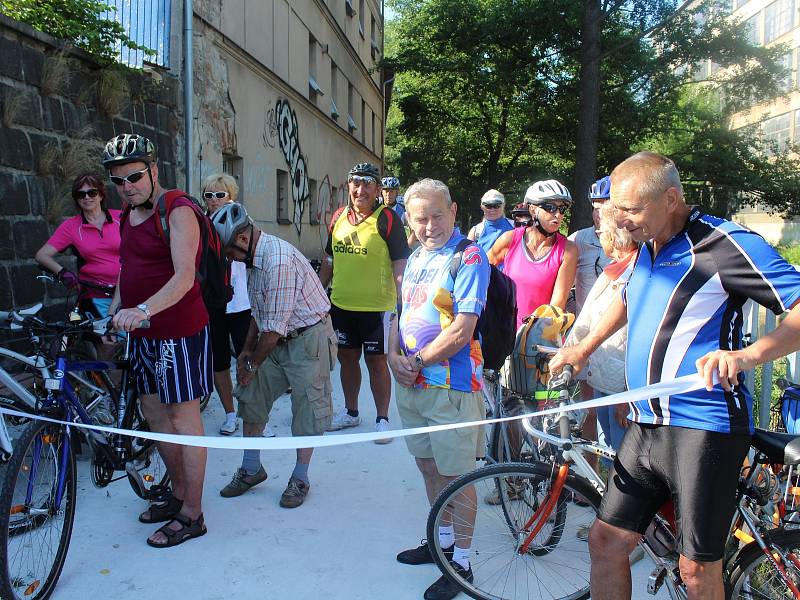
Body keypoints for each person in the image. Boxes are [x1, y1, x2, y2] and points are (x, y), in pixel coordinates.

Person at [550, 151, 800, 600]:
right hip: (647, 421)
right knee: (606, 541)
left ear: (670, 198)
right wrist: (581, 348)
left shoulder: (723, 243)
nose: (620, 221)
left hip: (704, 425)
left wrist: (747, 356)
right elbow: (629, 299)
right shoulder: (647, 244)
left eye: (630, 209)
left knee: (696, 570)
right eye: (614, 210)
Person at [104, 133, 211, 548]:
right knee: (154, 414)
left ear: (153, 170)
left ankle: (194, 514)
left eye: (134, 176)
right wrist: (114, 314)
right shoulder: (125, 215)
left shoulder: (178, 209)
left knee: (184, 421)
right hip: (142, 335)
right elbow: (125, 271)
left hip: (179, 332)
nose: (127, 186)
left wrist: (144, 311)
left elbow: (184, 276)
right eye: (118, 180)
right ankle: (180, 493)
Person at [389, 178, 489, 600]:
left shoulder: (468, 257)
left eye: (435, 215)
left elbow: (463, 330)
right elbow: (399, 312)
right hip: (412, 383)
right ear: (409, 220)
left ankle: (461, 562)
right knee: (429, 469)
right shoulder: (415, 257)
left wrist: (414, 363)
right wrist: (394, 355)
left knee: (457, 477)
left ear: (452, 210)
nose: (428, 225)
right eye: (419, 218)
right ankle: (441, 542)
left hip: (450, 387)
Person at [212, 202, 336, 508]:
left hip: (307, 338)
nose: (228, 260)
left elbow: (274, 330)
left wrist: (252, 363)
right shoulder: (253, 258)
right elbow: (259, 310)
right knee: (251, 395)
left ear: (241, 239)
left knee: (307, 409)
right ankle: (252, 469)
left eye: (228, 253)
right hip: (276, 336)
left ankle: (300, 477)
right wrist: (244, 353)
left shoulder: (277, 261)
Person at [318, 163, 410, 442]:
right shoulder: (337, 218)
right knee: (347, 358)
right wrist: (318, 293)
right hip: (342, 305)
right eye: (355, 183)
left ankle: (382, 419)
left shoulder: (388, 219)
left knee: (376, 362)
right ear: (348, 187)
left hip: (377, 307)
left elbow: (400, 264)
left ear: (377, 188)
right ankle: (351, 412)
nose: (361, 190)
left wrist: (401, 304)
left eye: (367, 184)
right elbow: (329, 259)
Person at [488, 179, 578, 329]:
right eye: (551, 207)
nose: (558, 214)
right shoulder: (509, 239)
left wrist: (530, 336)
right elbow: (479, 273)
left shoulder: (568, 250)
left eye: (562, 209)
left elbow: (557, 305)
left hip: (537, 336)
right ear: (532, 209)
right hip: (502, 332)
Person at [201, 173, 252, 436]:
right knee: (218, 361)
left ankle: (254, 413)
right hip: (213, 303)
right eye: (208, 195)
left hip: (241, 302)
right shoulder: (200, 225)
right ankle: (230, 414)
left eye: (219, 195)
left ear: (231, 196)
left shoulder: (245, 224)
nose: (213, 200)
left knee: (249, 359)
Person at [35, 172, 122, 317]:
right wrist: (63, 273)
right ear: (77, 199)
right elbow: (41, 255)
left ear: (101, 195)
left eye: (92, 193)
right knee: (110, 338)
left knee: (135, 336)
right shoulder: (71, 227)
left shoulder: (121, 217)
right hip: (96, 294)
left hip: (129, 289)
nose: (87, 197)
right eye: (81, 194)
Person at [466, 189, 513, 254]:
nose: (492, 209)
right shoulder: (475, 231)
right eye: (488, 206)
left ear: (503, 205)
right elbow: (468, 257)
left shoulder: (515, 226)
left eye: (496, 205)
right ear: (482, 207)